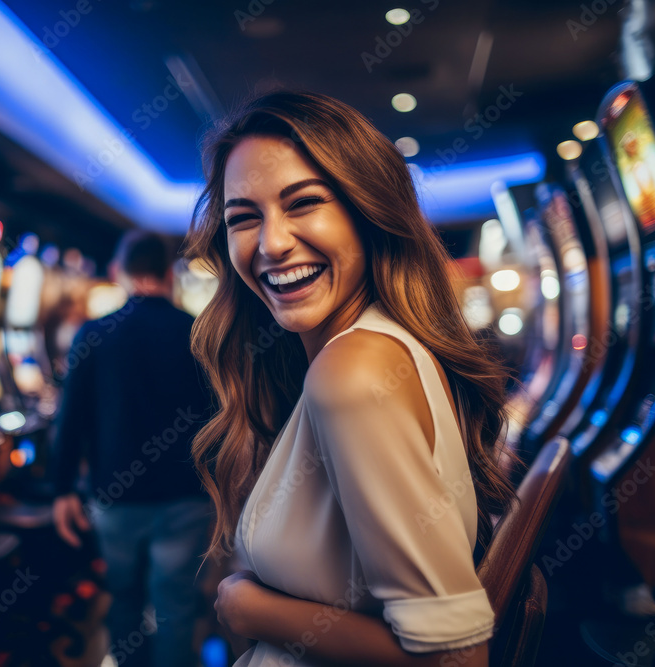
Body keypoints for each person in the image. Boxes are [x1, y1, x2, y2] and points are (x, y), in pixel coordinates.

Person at [183, 91, 516, 666]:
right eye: (244, 218)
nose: (272, 243)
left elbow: (456, 659)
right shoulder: (361, 355)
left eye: (303, 203)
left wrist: (250, 609)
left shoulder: (355, 368)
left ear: (367, 209)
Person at [52, 230, 214, 667]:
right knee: (175, 604)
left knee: (122, 598)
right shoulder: (196, 331)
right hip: (186, 494)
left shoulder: (94, 333)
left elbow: (71, 419)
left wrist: (62, 487)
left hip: (115, 494)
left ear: (117, 273)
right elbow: (218, 421)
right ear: (167, 273)